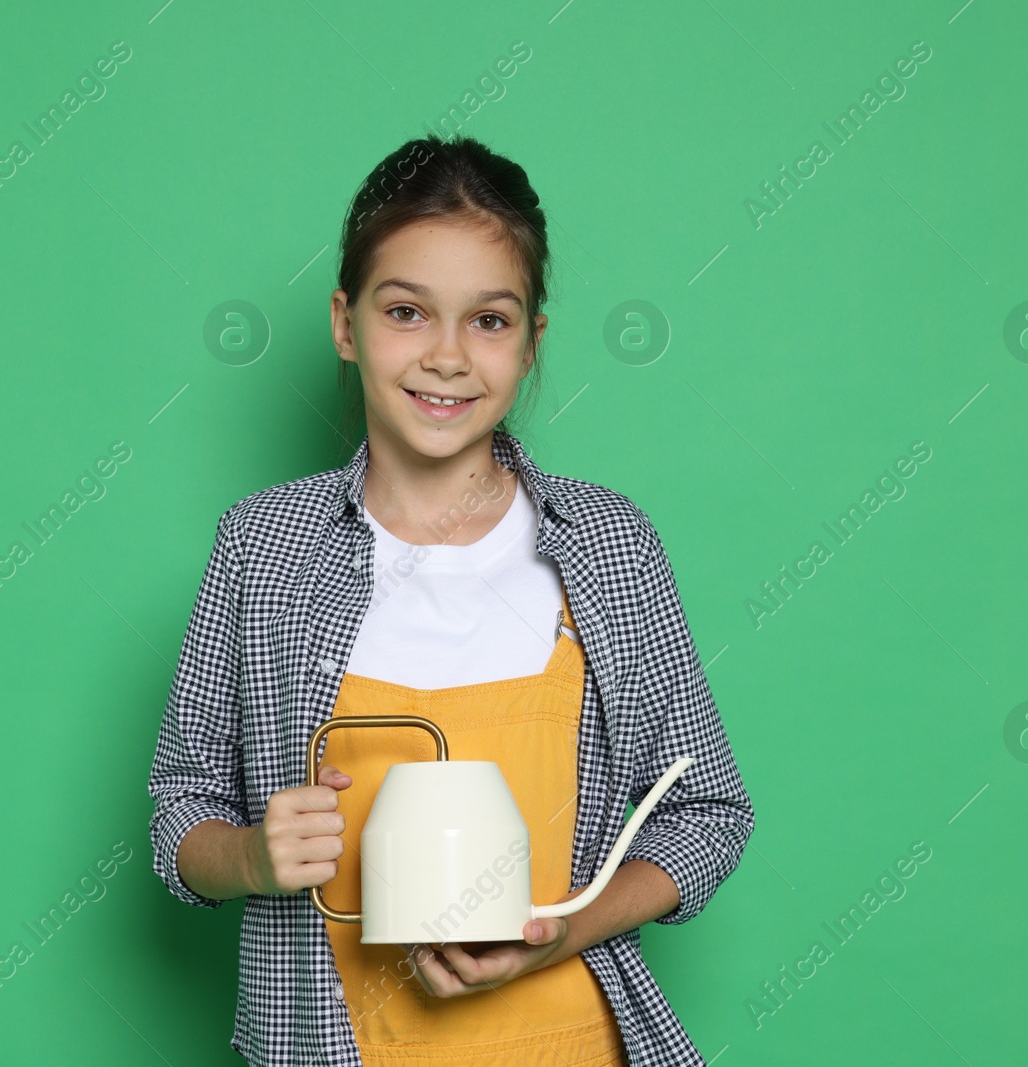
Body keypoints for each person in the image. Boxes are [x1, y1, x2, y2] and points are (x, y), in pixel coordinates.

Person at [148, 133, 754, 1067]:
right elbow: (180, 808)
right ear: (346, 324)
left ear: (533, 339)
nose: (446, 356)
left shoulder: (610, 546)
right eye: (406, 311)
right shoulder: (259, 547)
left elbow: (708, 814)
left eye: (489, 320)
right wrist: (251, 860)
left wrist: (568, 927)